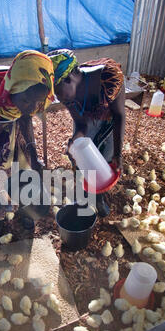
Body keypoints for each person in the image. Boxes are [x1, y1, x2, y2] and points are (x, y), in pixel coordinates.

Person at [0, 50, 55, 241]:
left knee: (23, 160)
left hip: (12, 107)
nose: (32, 107)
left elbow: (26, 119)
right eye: (27, 101)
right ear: (13, 89)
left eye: (37, 103)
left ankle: (25, 210)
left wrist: (34, 154)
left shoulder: (29, 91)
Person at [48, 49, 125, 217]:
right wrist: (75, 139)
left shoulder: (109, 78)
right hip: (86, 118)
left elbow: (119, 116)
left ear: (69, 79)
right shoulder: (69, 94)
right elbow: (81, 123)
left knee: (103, 160)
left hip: (110, 122)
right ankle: (84, 194)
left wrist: (118, 154)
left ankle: (99, 197)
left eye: (58, 94)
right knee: (81, 160)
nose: (59, 99)